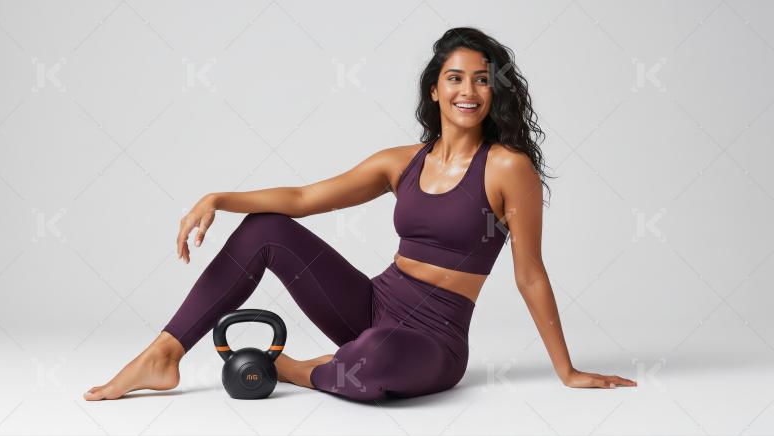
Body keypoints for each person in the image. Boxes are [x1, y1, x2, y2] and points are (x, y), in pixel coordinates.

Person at [84, 27, 636, 402]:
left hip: (434, 341)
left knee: (374, 356)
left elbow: (530, 273)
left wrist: (567, 371)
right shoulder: (400, 163)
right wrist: (219, 198)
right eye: (456, 77)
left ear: (496, 91)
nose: (469, 90)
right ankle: (163, 354)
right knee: (266, 230)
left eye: (483, 79)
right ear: (435, 89)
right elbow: (303, 199)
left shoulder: (508, 168)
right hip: (373, 305)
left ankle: (293, 369)